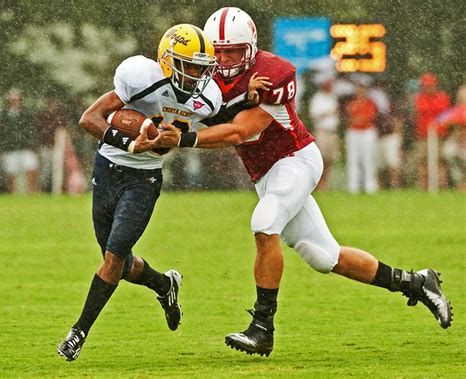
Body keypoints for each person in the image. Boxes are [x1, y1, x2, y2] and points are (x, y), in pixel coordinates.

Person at [146, 7, 452, 357]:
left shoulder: (274, 72)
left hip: (296, 160)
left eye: (233, 51)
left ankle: (262, 328)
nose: (226, 59)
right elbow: (205, 109)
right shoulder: (207, 79)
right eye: (219, 51)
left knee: (264, 222)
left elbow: (241, 130)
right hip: (265, 175)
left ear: (251, 48)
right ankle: (416, 282)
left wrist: (182, 140)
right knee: (326, 257)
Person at [57, 24, 222, 361]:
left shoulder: (207, 98)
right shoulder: (141, 77)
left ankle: (78, 332)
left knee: (114, 257)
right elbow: (90, 118)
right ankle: (165, 285)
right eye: (189, 65)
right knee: (117, 261)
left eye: (201, 68)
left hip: (144, 179)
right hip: (108, 168)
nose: (195, 75)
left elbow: (219, 118)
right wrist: (131, 142)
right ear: (166, 60)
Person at [0, 88, 39, 193]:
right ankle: (12, 195)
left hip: (25, 147)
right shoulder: (4, 115)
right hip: (10, 149)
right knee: (11, 175)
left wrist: (32, 144)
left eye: (16, 99)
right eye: (12, 99)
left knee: (32, 169)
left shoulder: (26, 113)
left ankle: (31, 194)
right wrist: (1, 148)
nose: (15, 101)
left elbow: (31, 129)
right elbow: (1, 132)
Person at [414, 73, 451, 189]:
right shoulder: (419, 98)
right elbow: (421, 111)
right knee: (423, 161)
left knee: (440, 161)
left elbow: (445, 115)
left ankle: (442, 186)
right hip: (423, 135)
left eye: (430, 85)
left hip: (440, 135)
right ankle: (423, 187)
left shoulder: (443, 97)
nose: (428, 88)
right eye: (425, 86)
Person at [345, 78, 379, 193]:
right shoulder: (352, 104)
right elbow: (350, 120)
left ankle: (370, 186)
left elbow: (369, 118)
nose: (360, 91)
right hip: (354, 132)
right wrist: (358, 120)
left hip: (367, 132)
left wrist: (358, 120)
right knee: (353, 159)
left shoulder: (370, 103)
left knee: (368, 158)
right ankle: (353, 186)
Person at [308, 73, 340, 190]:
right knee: (321, 159)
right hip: (322, 131)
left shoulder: (333, 97)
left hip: (332, 132)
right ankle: (318, 184)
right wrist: (330, 111)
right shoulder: (318, 98)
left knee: (330, 159)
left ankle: (324, 184)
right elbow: (315, 115)